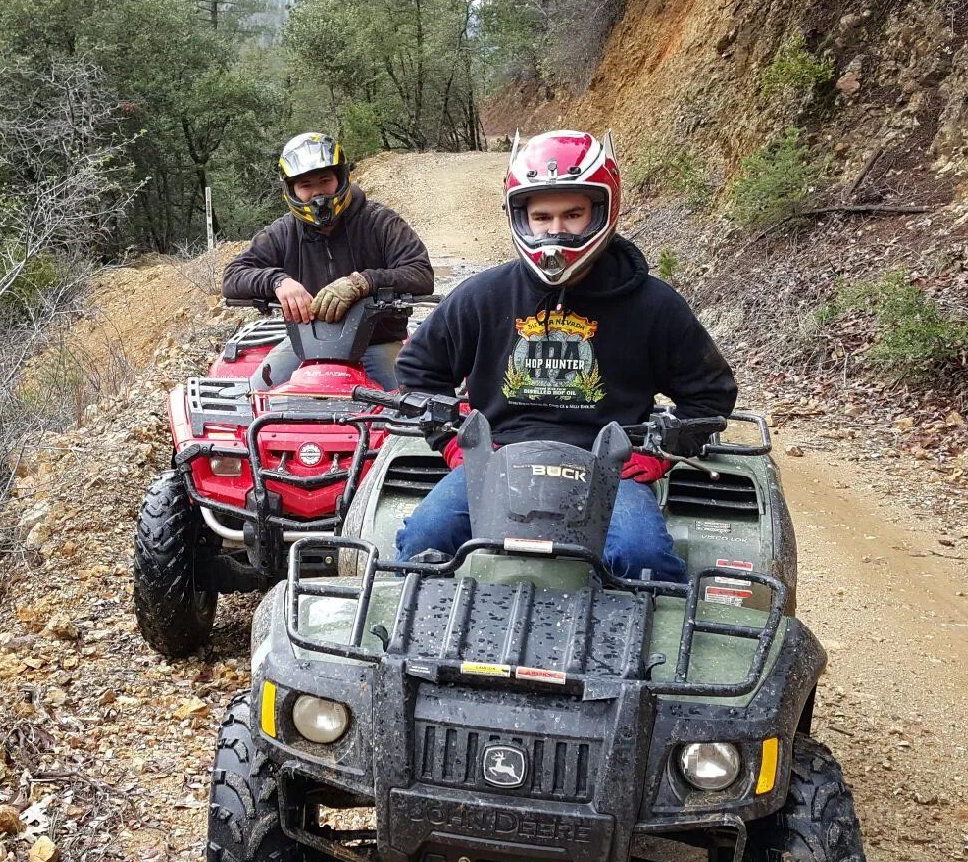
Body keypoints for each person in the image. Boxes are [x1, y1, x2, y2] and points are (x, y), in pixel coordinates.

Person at [394, 129, 737, 582]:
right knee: (425, 538)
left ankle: (638, 653)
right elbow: (418, 371)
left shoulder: (654, 305)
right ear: (521, 217)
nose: (555, 230)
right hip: (498, 461)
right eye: (542, 216)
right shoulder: (484, 295)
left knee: (644, 557)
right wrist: (458, 442)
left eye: (573, 214)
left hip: (608, 469)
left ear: (602, 210)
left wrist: (658, 454)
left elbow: (711, 394)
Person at [222, 132, 433, 389]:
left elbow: (420, 272)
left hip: (377, 342)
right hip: (305, 345)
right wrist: (277, 281)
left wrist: (363, 282)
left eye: (325, 180)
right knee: (256, 395)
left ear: (341, 179)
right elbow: (233, 276)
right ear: (292, 190)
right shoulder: (283, 232)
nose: (318, 193)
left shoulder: (380, 222)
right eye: (306, 185)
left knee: (413, 403)